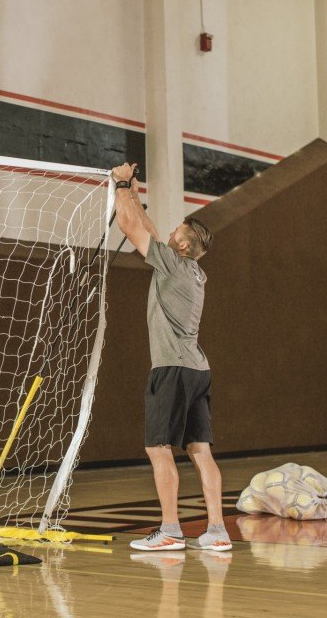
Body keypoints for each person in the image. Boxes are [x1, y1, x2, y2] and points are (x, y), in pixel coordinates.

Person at [110, 162, 231, 552]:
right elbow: (150, 231)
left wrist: (121, 185)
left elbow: (131, 230)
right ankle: (216, 531)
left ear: (182, 246)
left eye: (179, 228)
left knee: (157, 448)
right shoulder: (191, 270)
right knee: (200, 450)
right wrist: (134, 193)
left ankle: (170, 531)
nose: (173, 228)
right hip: (198, 370)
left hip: (173, 369)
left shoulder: (174, 266)